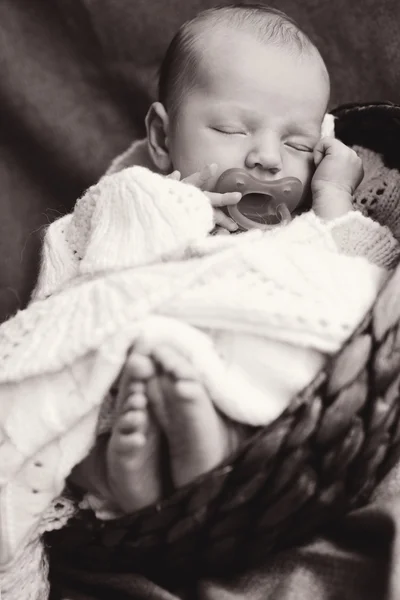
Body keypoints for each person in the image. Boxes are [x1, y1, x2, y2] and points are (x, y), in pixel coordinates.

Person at [56, 4, 398, 518]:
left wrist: (332, 198)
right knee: (80, 416)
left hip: (267, 426)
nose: (267, 157)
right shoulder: (137, 201)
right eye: (235, 130)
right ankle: (123, 472)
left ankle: (205, 447)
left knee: (284, 359)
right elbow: (83, 289)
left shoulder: (302, 226)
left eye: (297, 142)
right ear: (161, 137)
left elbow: (355, 290)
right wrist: (173, 216)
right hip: (136, 373)